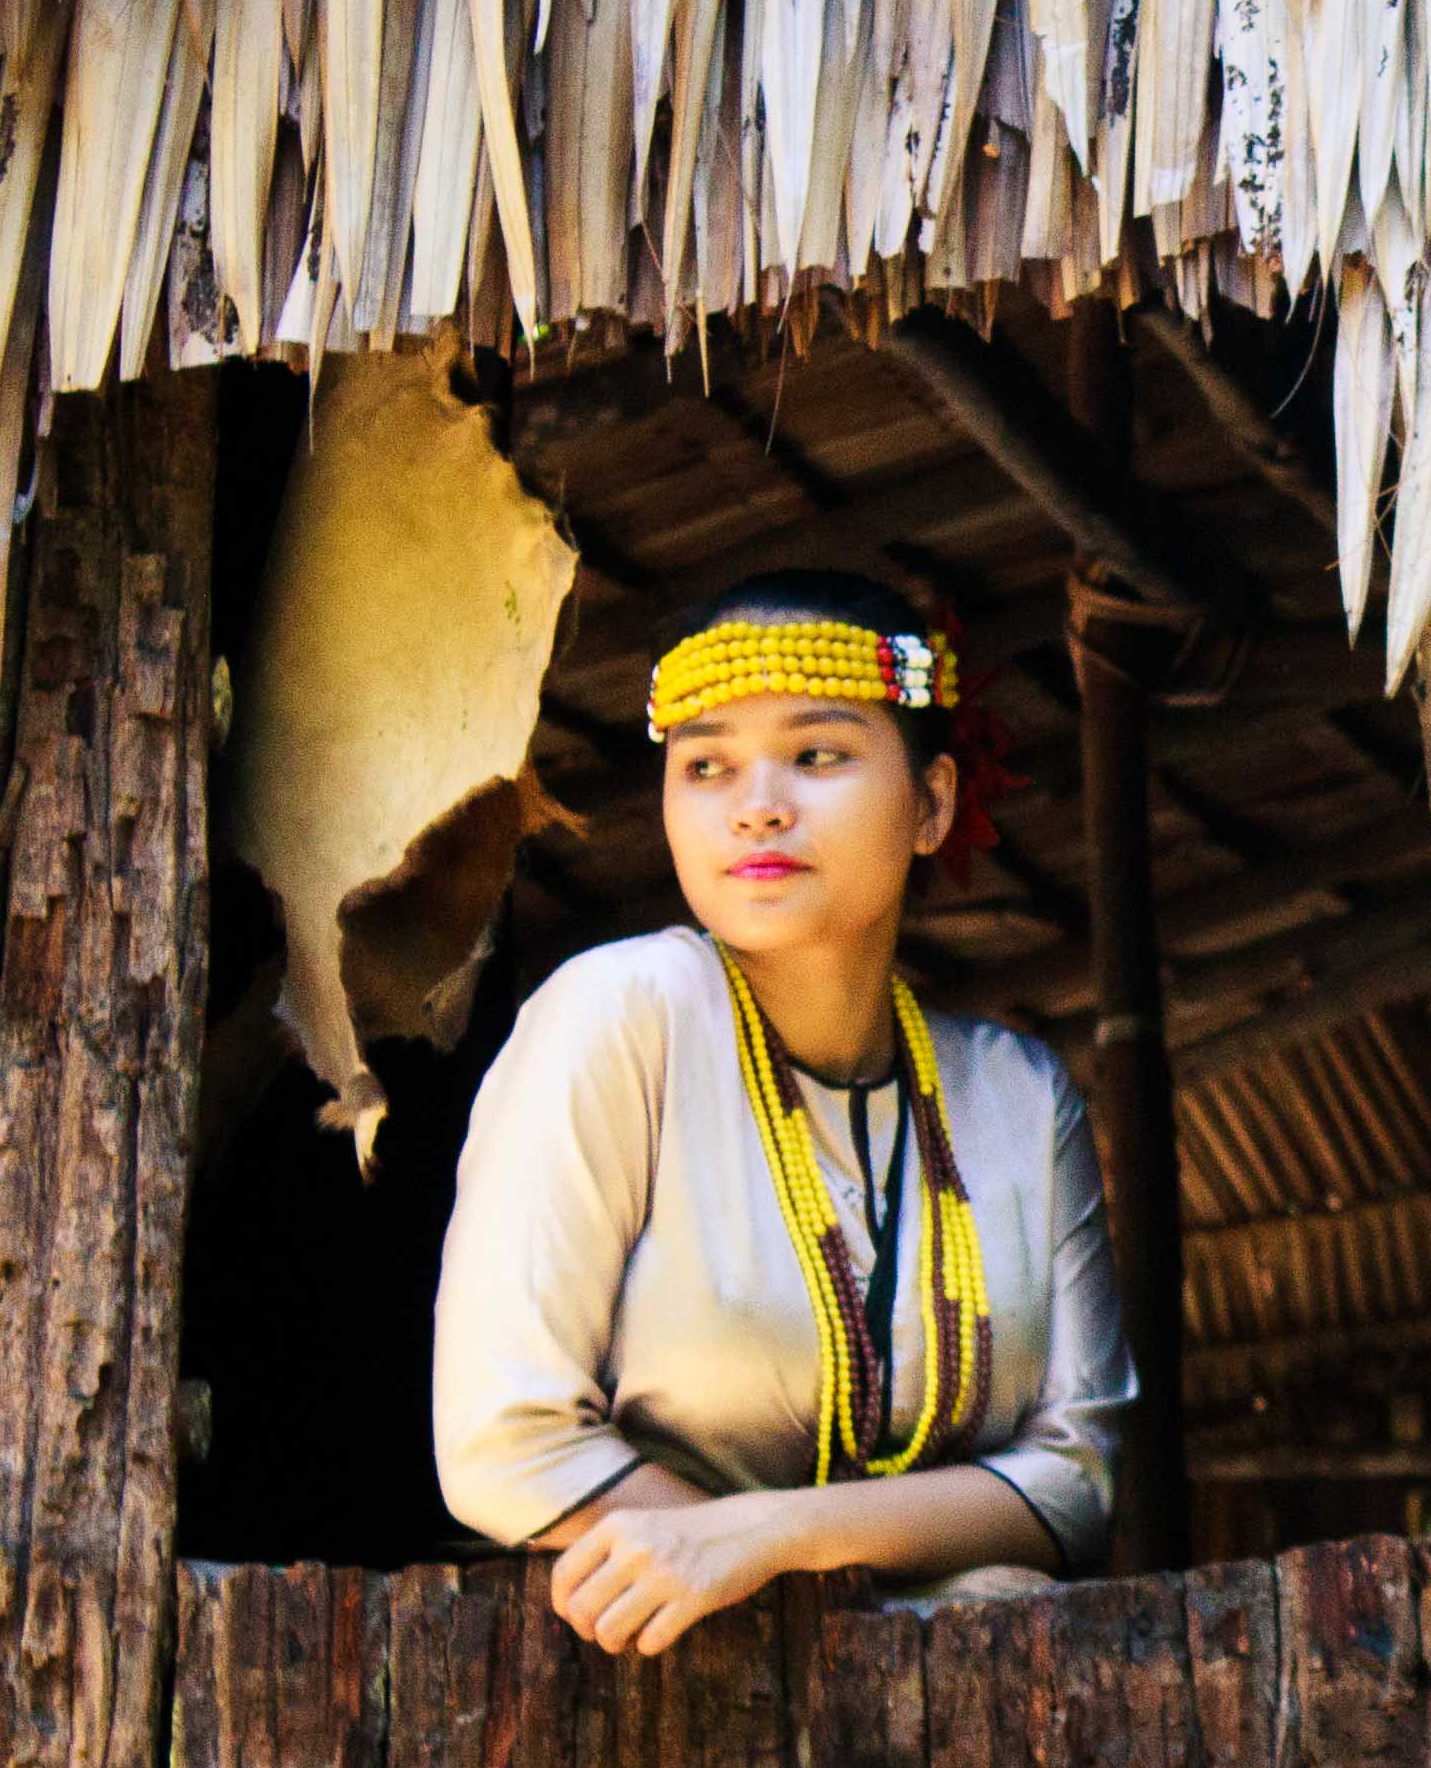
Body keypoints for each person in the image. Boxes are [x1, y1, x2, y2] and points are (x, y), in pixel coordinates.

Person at [432, 570, 1131, 1654]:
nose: (756, 803)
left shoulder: (1018, 1099)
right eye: (705, 765)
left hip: (961, 1719)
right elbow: (500, 1439)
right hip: (646, 1696)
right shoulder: (620, 1018)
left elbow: (1075, 1480)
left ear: (932, 803)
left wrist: (769, 1537)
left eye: (816, 755)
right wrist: (854, 1596)